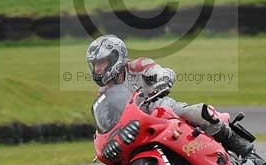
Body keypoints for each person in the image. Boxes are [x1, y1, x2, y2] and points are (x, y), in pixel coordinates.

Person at [86, 34, 254, 157]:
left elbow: (161, 72)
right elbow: (108, 121)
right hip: (139, 125)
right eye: (95, 65)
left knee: (196, 112)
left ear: (116, 57)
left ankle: (234, 141)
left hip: (159, 106)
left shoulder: (138, 66)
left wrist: (162, 80)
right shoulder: (105, 93)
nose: (98, 69)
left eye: (101, 63)